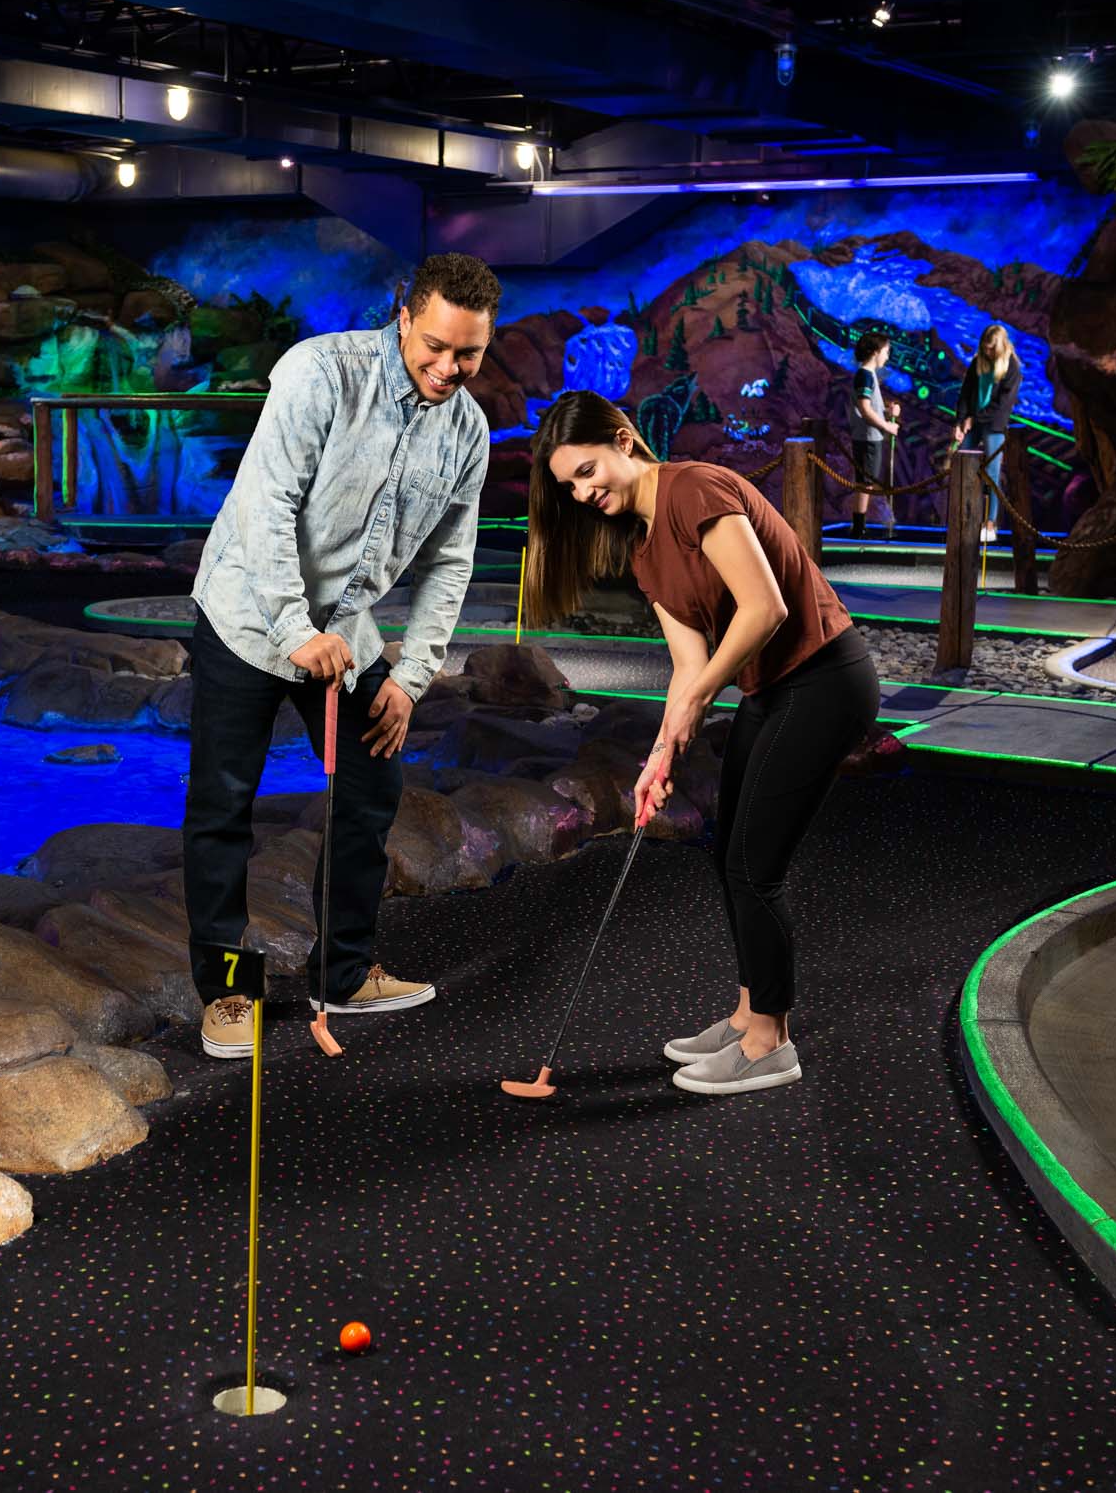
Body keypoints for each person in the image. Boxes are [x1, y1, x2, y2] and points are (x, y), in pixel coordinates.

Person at [185, 253, 500, 1059]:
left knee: (372, 783)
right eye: (435, 346)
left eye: (468, 353)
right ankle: (228, 992)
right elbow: (266, 504)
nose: (448, 367)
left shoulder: (468, 431)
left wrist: (412, 676)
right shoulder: (319, 373)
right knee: (224, 804)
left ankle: (343, 974)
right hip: (249, 612)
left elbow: (449, 564)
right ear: (404, 316)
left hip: (345, 629)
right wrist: (294, 628)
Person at [524, 390, 880, 1096]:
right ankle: (748, 1015)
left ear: (623, 440)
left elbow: (765, 606)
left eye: (587, 471)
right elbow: (688, 666)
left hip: (825, 679)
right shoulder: (643, 548)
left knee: (755, 865)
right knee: (730, 854)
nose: (583, 493)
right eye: (569, 486)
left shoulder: (694, 490)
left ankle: (770, 1043)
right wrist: (660, 754)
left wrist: (699, 698)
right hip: (770, 690)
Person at [951, 324, 1023, 546]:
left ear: (1001, 346)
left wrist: (974, 419)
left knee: (992, 474)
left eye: (992, 348)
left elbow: (1002, 404)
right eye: (985, 348)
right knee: (962, 462)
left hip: (993, 424)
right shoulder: (977, 361)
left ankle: (990, 524)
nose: (988, 352)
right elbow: (966, 393)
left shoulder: (1012, 367)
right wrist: (960, 421)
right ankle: (963, 519)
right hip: (973, 421)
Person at [847, 332, 901, 541]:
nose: (887, 356)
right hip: (868, 437)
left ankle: (859, 525)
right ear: (875, 352)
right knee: (865, 482)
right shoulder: (865, 375)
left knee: (867, 481)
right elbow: (865, 409)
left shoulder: (868, 375)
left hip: (871, 436)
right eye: (886, 352)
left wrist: (887, 411)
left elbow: (871, 406)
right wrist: (887, 426)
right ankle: (858, 527)